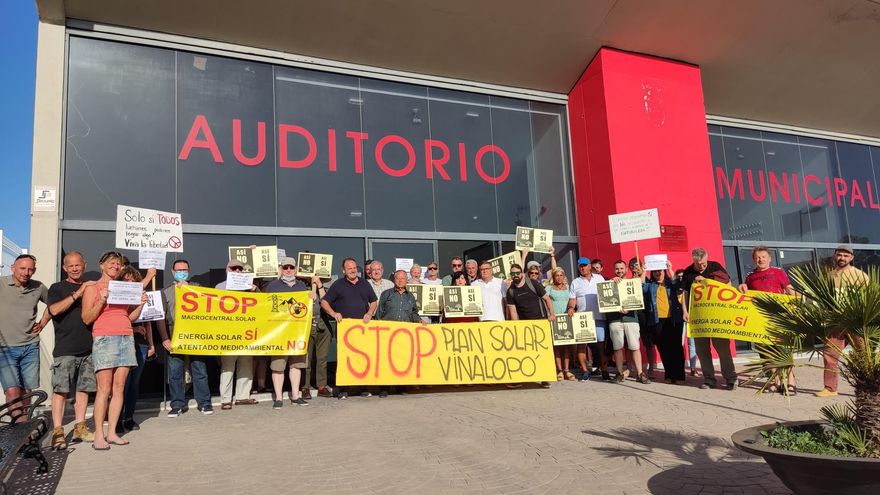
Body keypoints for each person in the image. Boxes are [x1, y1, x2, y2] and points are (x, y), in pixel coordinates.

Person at [81, 251, 147, 450]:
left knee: (119, 389)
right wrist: (101, 300)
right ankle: (99, 435)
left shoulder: (124, 287)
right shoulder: (93, 287)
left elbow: (129, 317)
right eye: (111, 263)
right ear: (102, 265)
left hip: (126, 337)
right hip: (104, 339)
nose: (115, 266)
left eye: (118, 263)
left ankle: (112, 433)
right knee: (104, 389)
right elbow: (86, 318)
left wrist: (141, 305)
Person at [46, 251, 96, 449]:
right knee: (61, 391)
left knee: (84, 390)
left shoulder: (92, 287)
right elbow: (54, 310)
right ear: (65, 268)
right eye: (71, 265)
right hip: (65, 348)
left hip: (88, 349)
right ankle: (57, 431)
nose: (75, 268)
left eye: (78, 265)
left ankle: (80, 427)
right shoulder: (57, 288)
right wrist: (78, 292)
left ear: (84, 265)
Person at [156, 259, 213, 417]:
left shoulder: (198, 288)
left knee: (200, 369)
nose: (182, 272)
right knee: (175, 371)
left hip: (195, 333)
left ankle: (204, 403)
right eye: (179, 269)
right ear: (173, 272)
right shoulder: (165, 291)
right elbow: (161, 317)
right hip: (174, 332)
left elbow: (209, 306)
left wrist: (190, 291)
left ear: (189, 271)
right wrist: (165, 338)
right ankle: (177, 404)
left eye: (185, 269)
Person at [737, 246, 796, 395]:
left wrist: (797, 296)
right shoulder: (750, 277)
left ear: (769, 258)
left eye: (763, 256)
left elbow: (789, 289)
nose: (760, 259)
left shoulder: (778, 272)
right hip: (759, 319)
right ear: (754, 259)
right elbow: (746, 294)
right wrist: (741, 287)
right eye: (758, 257)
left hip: (778, 317)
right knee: (767, 352)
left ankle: (791, 382)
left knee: (783, 349)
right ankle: (776, 382)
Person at [0, 254, 50, 419]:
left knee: (27, 391)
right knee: (12, 390)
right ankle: (18, 430)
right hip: (4, 349)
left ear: (34, 271)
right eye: (22, 268)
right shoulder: (1, 284)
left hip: (30, 346)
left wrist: (42, 323)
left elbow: (54, 305)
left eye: (30, 269)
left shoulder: (38, 287)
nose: (26, 272)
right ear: (12, 267)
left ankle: (23, 428)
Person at [320, 257, 378, 399]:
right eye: (349, 268)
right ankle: (343, 389)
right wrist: (333, 313)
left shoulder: (364, 283)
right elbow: (324, 302)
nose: (352, 270)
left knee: (362, 359)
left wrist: (370, 313)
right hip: (345, 329)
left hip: (362, 328)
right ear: (343, 271)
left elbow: (374, 301)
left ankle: (362, 388)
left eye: (354, 268)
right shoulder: (338, 285)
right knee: (345, 359)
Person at [681, 247, 737, 390]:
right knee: (702, 350)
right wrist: (685, 311)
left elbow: (728, 284)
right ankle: (709, 379)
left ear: (707, 259)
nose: (702, 266)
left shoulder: (715, 266)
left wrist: (706, 280)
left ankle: (731, 378)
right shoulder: (688, 272)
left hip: (716, 316)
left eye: (704, 263)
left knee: (723, 348)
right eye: (699, 264)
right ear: (693, 261)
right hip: (698, 317)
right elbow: (685, 294)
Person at [817, 245, 868, 397]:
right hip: (835, 321)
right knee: (830, 355)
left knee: (863, 355)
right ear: (835, 256)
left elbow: (869, 297)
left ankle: (867, 387)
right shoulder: (829, 275)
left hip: (855, 321)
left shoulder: (860, 275)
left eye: (846, 256)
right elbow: (823, 297)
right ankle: (830, 388)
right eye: (839, 255)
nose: (842, 258)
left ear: (851, 258)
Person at [263, 257, 312, 408]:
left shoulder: (302, 286)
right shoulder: (273, 286)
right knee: (278, 366)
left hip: (297, 333)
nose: (289, 270)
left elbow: (307, 308)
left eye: (291, 267)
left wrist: (312, 297)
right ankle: (278, 398)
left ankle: (295, 396)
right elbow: (265, 307)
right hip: (279, 333)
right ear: (281, 269)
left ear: (296, 269)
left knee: (296, 365)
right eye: (285, 267)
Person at [215, 259, 257, 409]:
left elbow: (261, 306)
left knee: (246, 365)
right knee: (228, 367)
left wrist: (255, 291)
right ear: (227, 270)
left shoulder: (249, 287)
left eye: (240, 269)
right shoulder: (219, 287)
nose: (238, 271)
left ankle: (242, 396)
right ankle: (226, 399)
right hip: (228, 333)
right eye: (234, 268)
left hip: (246, 332)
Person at [118, 265, 155, 433]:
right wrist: (132, 329)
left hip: (140, 344)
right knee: (121, 384)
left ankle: (129, 418)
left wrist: (151, 343)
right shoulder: (117, 297)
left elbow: (148, 321)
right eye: (126, 279)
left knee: (134, 383)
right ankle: (116, 418)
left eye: (133, 280)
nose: (130, 282)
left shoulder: (142, 296)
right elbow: (116, 319)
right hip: (122, 342)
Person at [506, 263, 554, 389]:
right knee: (525, 352)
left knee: (542, 351)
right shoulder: (510, 291)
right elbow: (513, 311)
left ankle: (545, 378)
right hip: (524, 325)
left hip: (540, 322)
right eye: (513, 274)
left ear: (522, 273)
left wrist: (552, 314)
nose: (515, 275)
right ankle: (521, 378)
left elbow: (547, 299)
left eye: (517, 273)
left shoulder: (533, 284)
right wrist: (516, 326)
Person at [607, 260, 649, 384]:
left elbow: (641, 283)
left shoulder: (633, 282)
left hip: (631, 318)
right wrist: (611, 282)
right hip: (615, 319)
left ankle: (640, 373)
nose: (619, 271)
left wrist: (644, 271)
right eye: (617, 269)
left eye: (621, 268)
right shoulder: (610, 282)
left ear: (626, 269)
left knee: (634, 346)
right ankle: (619, 373)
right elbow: (605, 296)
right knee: (617, 347)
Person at [643, 261, 685, 385]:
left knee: (676, 348)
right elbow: (641, 288)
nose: (657, 273)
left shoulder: (670, 283)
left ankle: (680, 376)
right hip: (658, 320)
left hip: (674, 320)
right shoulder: (651, 285)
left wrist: (670, 269)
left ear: (663, 271)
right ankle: (669, 374)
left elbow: (678, 285)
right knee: (664, 349)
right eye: (655, 271)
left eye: (659, 270)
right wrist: (644, 271)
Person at [568, 257, 608, 380]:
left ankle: (604, 370)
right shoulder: (575, 282)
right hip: (583, 318)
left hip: (599, 316)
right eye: (580, 266)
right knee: (582, 345)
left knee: (601, 346)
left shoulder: (600, 278)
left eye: (584, 265)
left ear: (589, 266)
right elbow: (573, 299)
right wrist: (570, 308)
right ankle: (585, 371)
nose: (582, 268)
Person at [546, 267, 575, 381]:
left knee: (567, 345)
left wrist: (571, 308)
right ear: (553, 277)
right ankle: (559, 370)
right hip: (554, 318)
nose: (559, 277)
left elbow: (572, 299)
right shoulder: (549, 288)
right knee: (557, 346)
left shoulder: (568, 287)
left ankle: (567, 370)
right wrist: (549, 313)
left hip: (567, 318)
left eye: (561, 275)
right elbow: (545, 300)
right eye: (556, 275)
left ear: (564, 276)